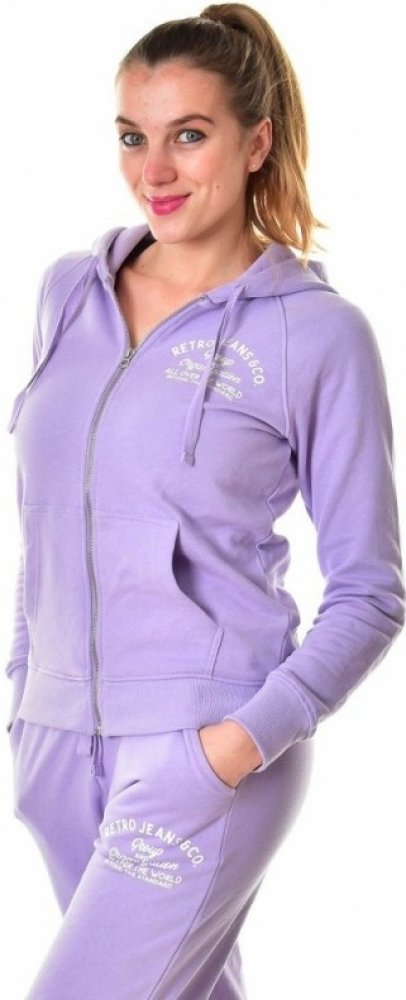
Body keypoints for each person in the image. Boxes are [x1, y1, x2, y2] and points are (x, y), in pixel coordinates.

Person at [5, 4, 405, 998]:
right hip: (55, 743)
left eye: (189, 135)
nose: (155, 170)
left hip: (203, 747)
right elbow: (49, 524)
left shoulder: (316, 336)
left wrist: (237, 744)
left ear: (256, 142)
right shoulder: (70, 293)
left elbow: (370, 589)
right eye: (132, 137)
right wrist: (22, 697)